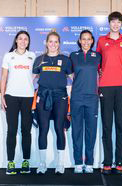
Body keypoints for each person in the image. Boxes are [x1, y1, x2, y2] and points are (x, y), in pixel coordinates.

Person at [96, 11, 122, 175]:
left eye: (119, 22)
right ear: (109, 23)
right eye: (113, 22)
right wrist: (100, 72)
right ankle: (107, 162)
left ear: (121, 24)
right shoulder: (102, 40)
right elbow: (97, 61)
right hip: (105, 87)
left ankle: (120, 162)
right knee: (107, 125)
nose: (115, 24)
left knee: (120, 125)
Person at [33, 31, 71, 175]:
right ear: (46, 43)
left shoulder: (65, 60)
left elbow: (74, 79)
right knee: (42, 129)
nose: (53, 44)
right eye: (51, 41)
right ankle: (42, 163)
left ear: (59, 44)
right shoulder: (39, 59)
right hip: (43, 96)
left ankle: (60, 163)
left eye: (56, 42)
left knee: (59, 128)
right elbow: (30, 80)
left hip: (60, 97)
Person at [0, 30, 35, 175]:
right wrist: (2, 96)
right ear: (16, 41)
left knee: (26, 131)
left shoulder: (32, 56)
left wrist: (28, 82)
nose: (23, 41)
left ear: (28, 42)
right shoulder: (9, 56)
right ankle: (11, 162)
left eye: (25, 39)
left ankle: (26, 161)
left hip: (28, 97)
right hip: (11, 97)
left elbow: (36, 73)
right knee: (12, 131)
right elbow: (3, 77)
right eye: (20, 39)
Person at [70, 30, 101, 174]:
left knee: (91, 131)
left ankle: (89, 162)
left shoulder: (98, 56)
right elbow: (70, 74)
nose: (86, 41)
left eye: (89, 39)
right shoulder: (73, 56)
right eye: (84, 39)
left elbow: (102, 73)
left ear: (92, 41)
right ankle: (77, 162)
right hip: (76, 97)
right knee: (77, 130)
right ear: (80, 41)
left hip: (92, 98)